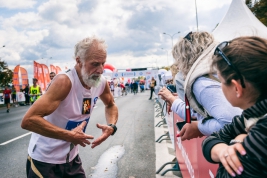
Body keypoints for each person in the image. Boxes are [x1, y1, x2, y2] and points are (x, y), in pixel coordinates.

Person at [21, 36, 119, 178]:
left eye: (103, 63)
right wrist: (70, 135)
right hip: (45, 161)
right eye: (95, 64)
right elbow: (28, 120)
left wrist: (111, 125)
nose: (101, 70)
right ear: (79, 60)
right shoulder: (64, 82)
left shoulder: (100, 82)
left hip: (71, 159)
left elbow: (110, 104)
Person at [202, 36, 267, 177]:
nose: (220, 86)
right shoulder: (252, 116)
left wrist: (236, 142)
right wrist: (223, 151)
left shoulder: (261, 138)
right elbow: (210, 141)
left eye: (221, 80)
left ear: (237, 88)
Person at [158, 31, 242, 141]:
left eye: (178, 59)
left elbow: (231, 122)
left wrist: (199, 127)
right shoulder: (216, 69)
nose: (178, 66)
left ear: (185, 57)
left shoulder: (202, 82)